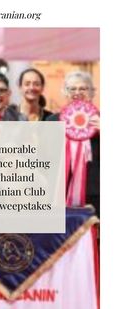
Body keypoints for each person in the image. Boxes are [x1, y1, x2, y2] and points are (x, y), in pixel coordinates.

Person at [48, 71, 100, 216]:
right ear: (65, 92)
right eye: (72, 89)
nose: (77, 92)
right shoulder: (52, 121)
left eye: (83, 88)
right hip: (60, 192)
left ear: (92, 92)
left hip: (95, 193)